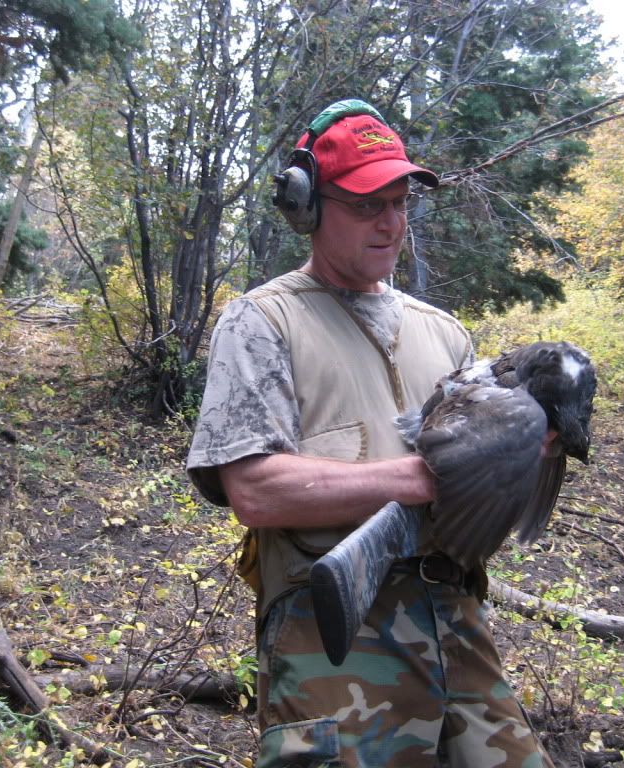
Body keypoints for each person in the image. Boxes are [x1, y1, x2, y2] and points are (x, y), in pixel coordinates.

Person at [186, 100, 553, 768]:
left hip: (454, 621)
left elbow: (483, 502)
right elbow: (255, 492)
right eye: (365, 205)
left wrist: (521, 460)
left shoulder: (443, 332)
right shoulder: (262, 322)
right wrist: (419, 480)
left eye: (400, 202)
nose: (390, 223)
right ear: (308, 207)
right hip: (332, 636)